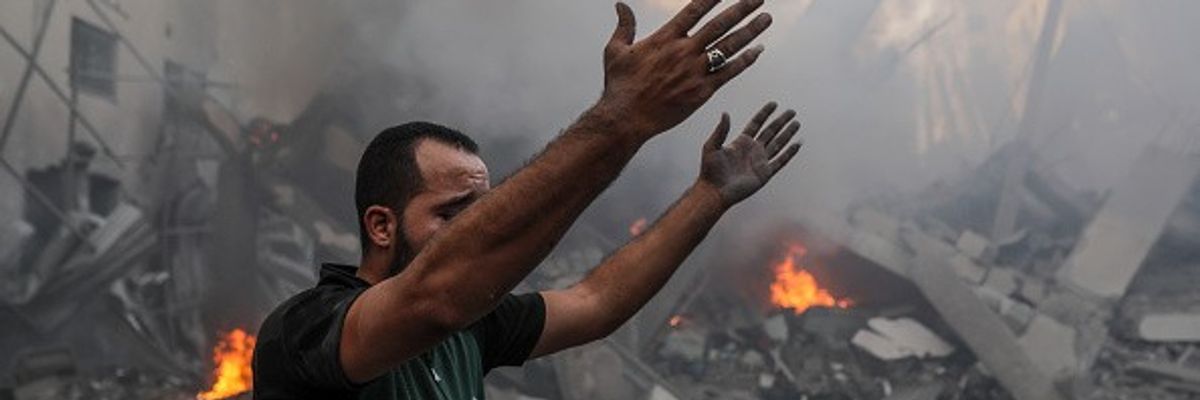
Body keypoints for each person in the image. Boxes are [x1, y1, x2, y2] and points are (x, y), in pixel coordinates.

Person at [252, 0, 804, 398]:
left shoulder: (473, 329)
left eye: (484, 211)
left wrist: (708, 197)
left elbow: (596, 303)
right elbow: (432, 301)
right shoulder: (307, 328)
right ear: (381, 226)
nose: (479, 233)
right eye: (452, 215)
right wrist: (623, 119)